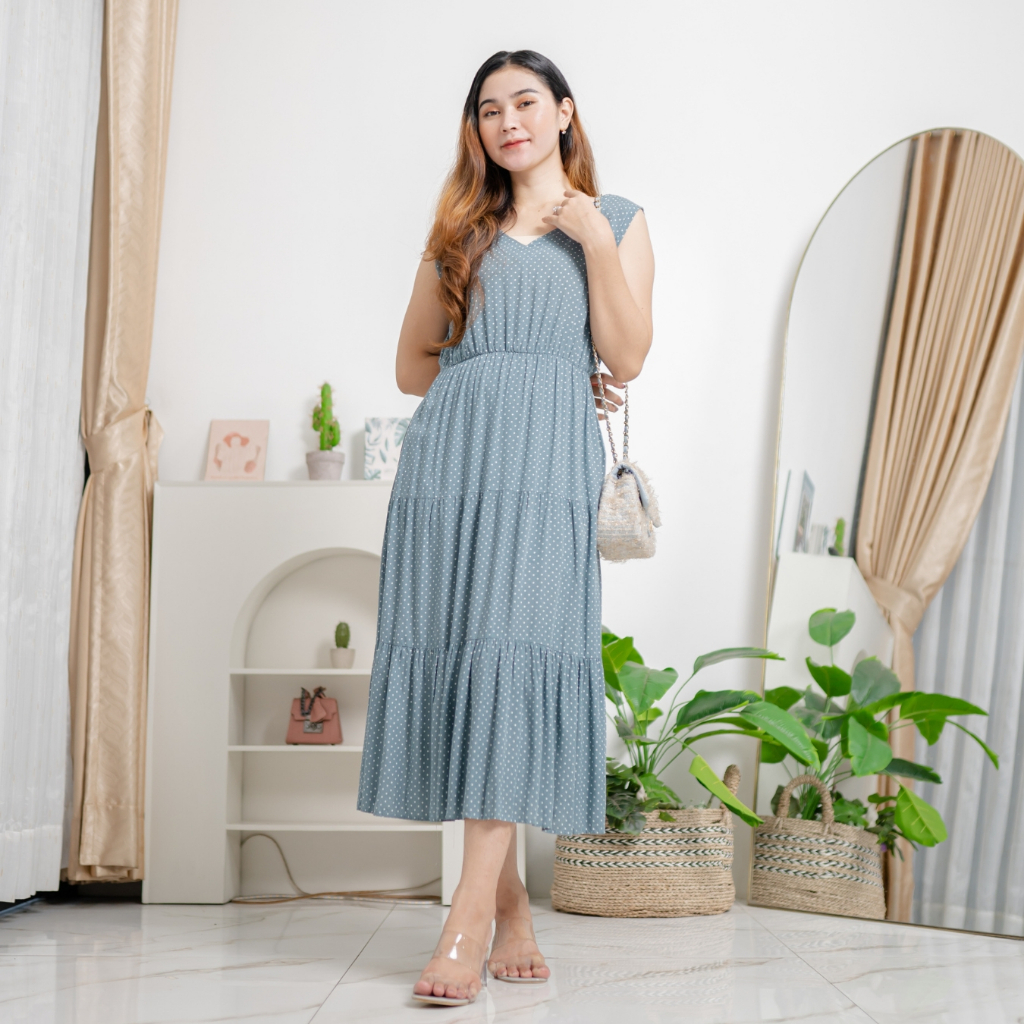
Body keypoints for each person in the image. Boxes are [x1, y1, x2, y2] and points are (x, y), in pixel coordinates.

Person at [356, 48, 654, 1006]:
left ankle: (466, 921)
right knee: (468, 666)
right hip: (451, 469)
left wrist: (591, 247)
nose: (508, 121)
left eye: (526, 102)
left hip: (546, 472)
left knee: (510, 659)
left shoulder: (616, 221)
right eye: (489, 109)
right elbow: (413, 368)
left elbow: (628, 355)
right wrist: (501, 373)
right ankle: (510, 904)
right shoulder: (459, 232)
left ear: (564, 112)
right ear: (477, 129)